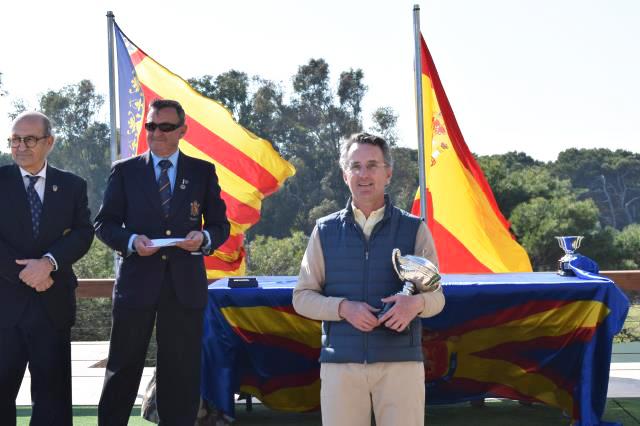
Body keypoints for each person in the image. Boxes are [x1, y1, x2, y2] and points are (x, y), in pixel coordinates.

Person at [292, 132, 445, 426]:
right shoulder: (324, 231)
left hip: (401, 364)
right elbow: (302, 297)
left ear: (388, 173)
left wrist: (414, 305)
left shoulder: (415, 229)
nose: (364, 174)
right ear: (344, 175)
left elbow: (437, 297)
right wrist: (343, 308)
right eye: (356, 166)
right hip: (341, 365)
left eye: (372, 165)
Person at [95, 99, 230, 425]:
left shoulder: (203, 172)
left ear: (182, 131)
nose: (155, 133)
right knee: (123, 368)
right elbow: (104, 224)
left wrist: (204, 239)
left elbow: (219, 226)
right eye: (150, 126)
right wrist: (130, 242)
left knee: (180, 373)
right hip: (135, 286)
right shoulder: (124, 171)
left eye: (164, 127)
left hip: (184, 289)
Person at [0, 111, 94, 425]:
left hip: (52, 308)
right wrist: (29, 274)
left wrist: (49, 264)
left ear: (49, 142)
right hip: (4, 310)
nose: (20, 146)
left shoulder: (72, 186)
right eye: (15, 139)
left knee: (52, 403)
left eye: (29, 139)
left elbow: (84, 233)